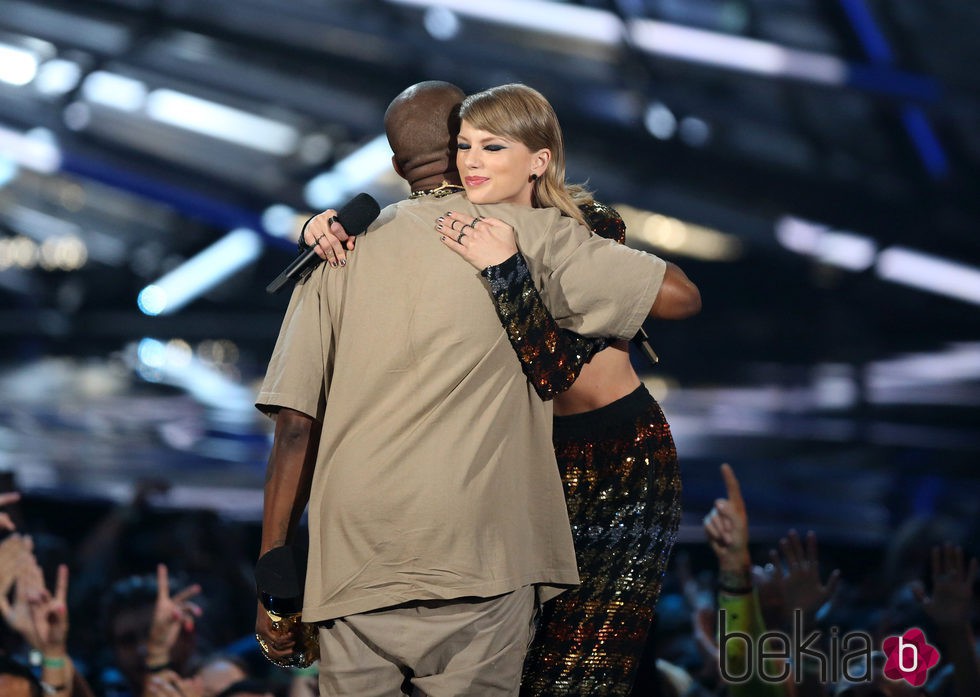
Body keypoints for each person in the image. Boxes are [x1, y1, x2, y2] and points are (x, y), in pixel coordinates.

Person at [255, 80, 690, 697]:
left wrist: (274, 580)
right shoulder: (523, 233)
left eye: (491, 145)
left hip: (359, 557)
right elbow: (678, 297)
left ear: (395, 162)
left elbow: (295, 427)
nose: (477, 159)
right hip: (486, 544)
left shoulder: (341, 255)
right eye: (469, 145)